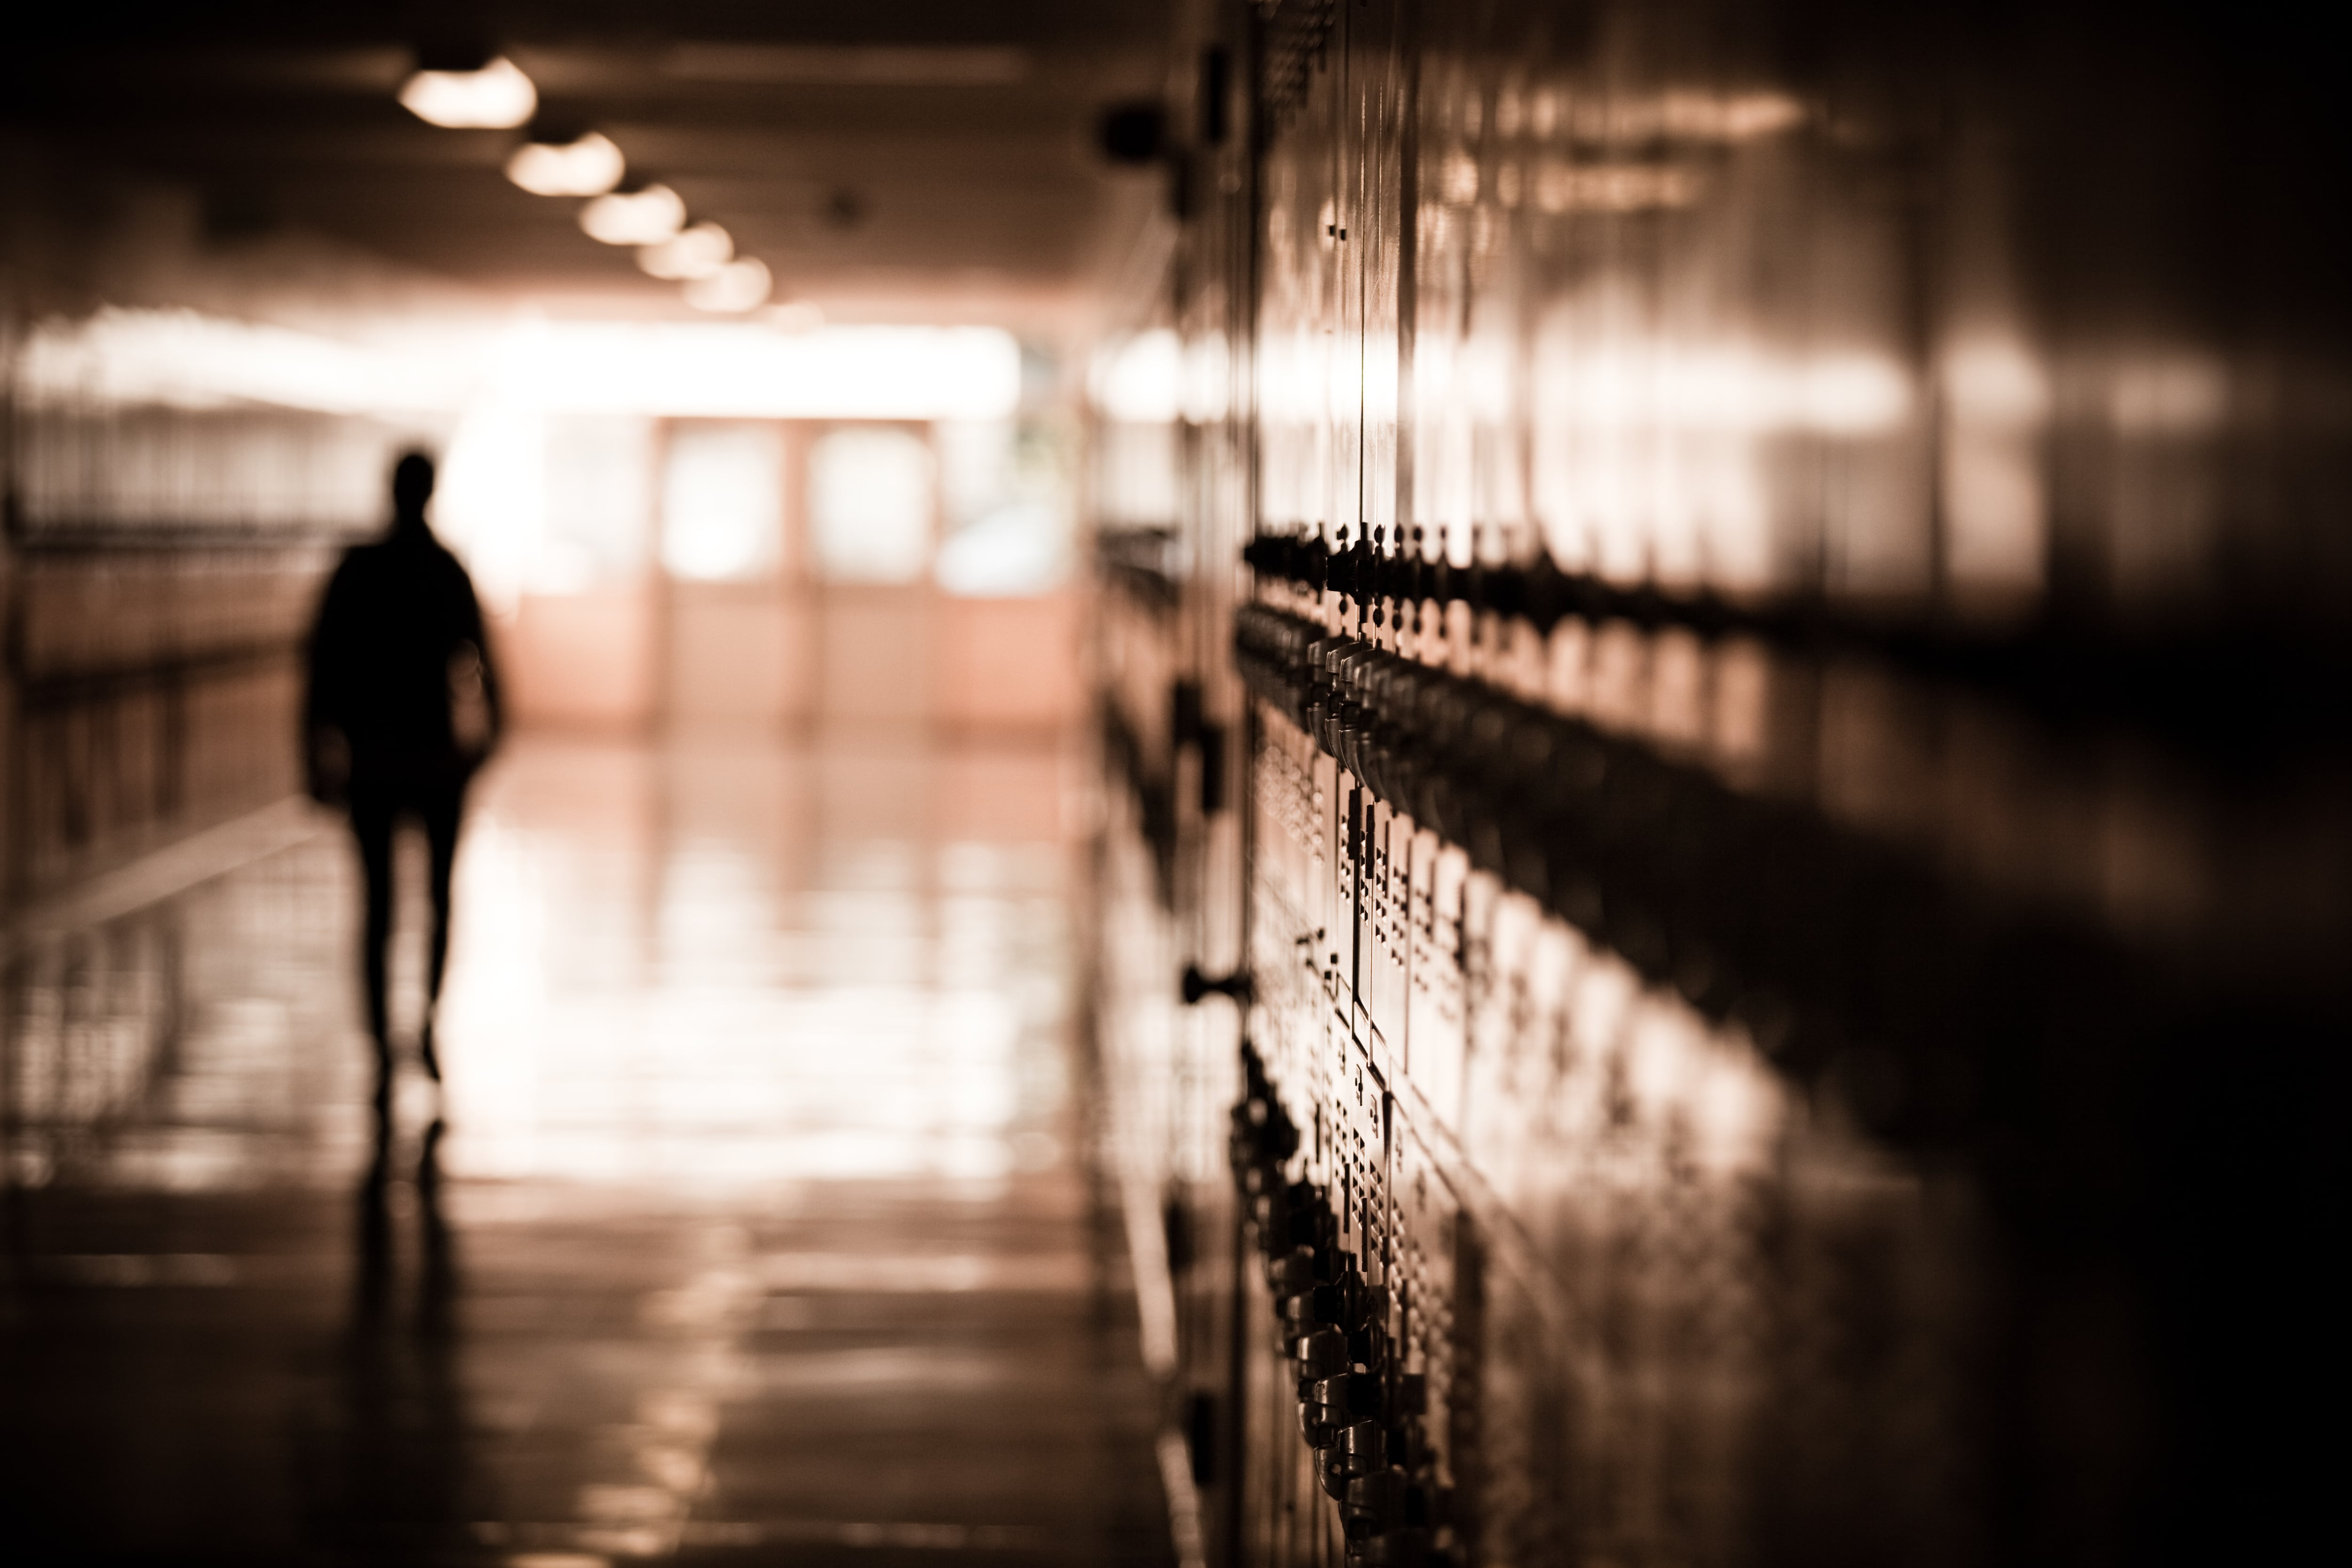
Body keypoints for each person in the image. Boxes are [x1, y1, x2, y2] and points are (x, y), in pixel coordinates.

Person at [302, 451, 501, 1103]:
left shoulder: (358, 569)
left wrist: (315, 751)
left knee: (379, 905)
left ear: (390, 490)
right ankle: (426, 1026)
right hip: (436, 760)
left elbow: (321, 670)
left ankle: (381, 1047)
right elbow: (485, 667)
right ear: (431, 492)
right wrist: (484, 745)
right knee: (439, 899)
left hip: (374, 759)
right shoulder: (447, 569)